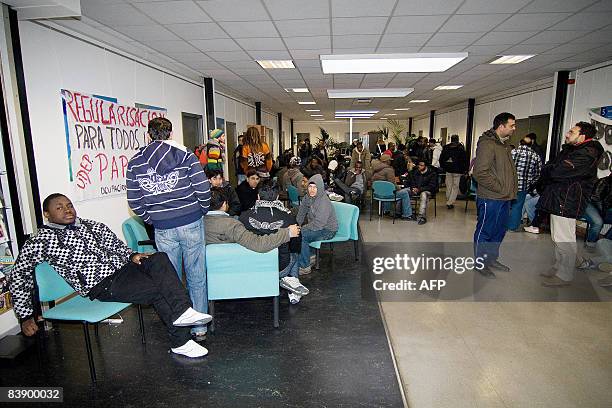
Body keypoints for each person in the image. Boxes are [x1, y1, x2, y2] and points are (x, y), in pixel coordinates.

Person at [10, 194, 212, 358]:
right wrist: (26, 315)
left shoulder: (91, 225)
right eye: (59, 207)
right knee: (159, 289)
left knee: (159, 258)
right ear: (47, 214)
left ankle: (182, 310)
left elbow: (115, 246)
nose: (67, 209)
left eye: (69, 205)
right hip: (101, 283)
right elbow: (19, 274)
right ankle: (181, 341)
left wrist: (132, 255)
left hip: (123, 268)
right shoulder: (41, 240)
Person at [126, 117, 211, 339]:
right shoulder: (186, 156)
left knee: (169, 279)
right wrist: (200, 210)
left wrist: (153, 219)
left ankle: (178, 325)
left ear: (148, 135)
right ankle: (200, 327)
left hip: (163, 227)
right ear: (171, 134)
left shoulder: (135, 162)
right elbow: (203, 190)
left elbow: (134, 201)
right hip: (191, 221)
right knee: (196, 274)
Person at [538, 122, 603, 287]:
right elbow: (551, 167)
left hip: (567, 200)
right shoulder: (572, 150)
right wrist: (550, 168)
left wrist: (550, 169)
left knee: (564, 239)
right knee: (557, 238)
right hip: (559, 198)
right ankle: (558, 266)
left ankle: (564, 275)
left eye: (571, 131)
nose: (567, 134)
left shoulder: (587, 154)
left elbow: (556, 171)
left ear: (582, 136)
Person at [240, 180, 308, 304]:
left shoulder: (244, 217)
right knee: (294, 251)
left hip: (251, 265)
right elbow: (295, 246)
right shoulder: (288, 218)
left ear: (258, 196)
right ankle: (293, 288)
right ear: (277, 197)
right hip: (279, 267)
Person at [472, 112, 518, 278]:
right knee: (486, 231)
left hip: (504, 198)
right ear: (501, 126)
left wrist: (507, 191)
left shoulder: (503, 145)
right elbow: (480, 173)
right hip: (491, 198)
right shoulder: (487, 144)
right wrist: (500, 188)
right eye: (511, 125)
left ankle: (490, 259)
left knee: (499, 231)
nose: (514, 128)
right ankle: (480, 262)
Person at [296, 174, 338, 275]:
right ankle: (310, 256)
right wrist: (297, 224)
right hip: (317, 226)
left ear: (319, 187)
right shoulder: (308, 197)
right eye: (310, 186)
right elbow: (302, 211)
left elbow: (319, 224)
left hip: (328, 230)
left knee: (302, 235)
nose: (312, 190)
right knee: (297, 232)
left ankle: (305, 266)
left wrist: (302, 228)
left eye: (315, 187)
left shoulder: (324, 202)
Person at [507, 136, 542, 231]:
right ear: (531, 145)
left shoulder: (512, 152)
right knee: (517, 206)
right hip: (523, 186)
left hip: (508, 184)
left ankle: (502, 224)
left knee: (505, 205)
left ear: (520, 143)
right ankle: (512, 227)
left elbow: (504, 168)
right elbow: (537, 174)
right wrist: (530, 181)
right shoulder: (535, 156)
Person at [398, 159, 438, 225]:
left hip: (427, 191)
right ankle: (399, 212)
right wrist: (413, 188)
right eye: (419, 165)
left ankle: (422, 217)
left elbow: (432, 186)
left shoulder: (432, 174)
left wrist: (419, 189)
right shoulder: (416, 172)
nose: (419, 166)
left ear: (426, 166)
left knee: (423, 195)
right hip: (415, 189)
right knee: (403, 191)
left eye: (421, 165)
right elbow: (411, 181)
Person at [583, 174, 612, 249]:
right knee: (598, 222)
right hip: (590, 204)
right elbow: (595, 199)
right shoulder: (604, 182)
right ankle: (590, 244)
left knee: (599, 220)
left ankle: (606, 243)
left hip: (603, 209)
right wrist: (604, 213)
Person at [440, 134, 468, 209]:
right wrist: (465, 170)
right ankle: (450, 202)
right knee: (455, 186)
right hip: (458, 171)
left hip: (448, 170)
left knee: (448, 185)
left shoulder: (446, 148)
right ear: (458, 139)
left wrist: (443, 166)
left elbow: (441, 158)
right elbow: (464, 160)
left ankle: (449, 199)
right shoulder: (461, 148)